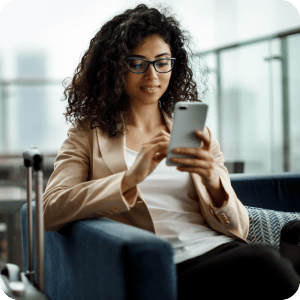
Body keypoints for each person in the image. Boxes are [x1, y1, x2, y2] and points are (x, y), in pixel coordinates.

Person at [43, 4, 300, 299]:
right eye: (137, 63)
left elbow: (239, 227)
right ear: (114, 68)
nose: (152, 75)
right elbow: (52, 209)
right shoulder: (87, 135)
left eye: (162, 62)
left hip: (222, 250)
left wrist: (214, 183)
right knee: (265, 261)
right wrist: (130, 178)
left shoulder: (197, 133)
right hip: (166, 266)